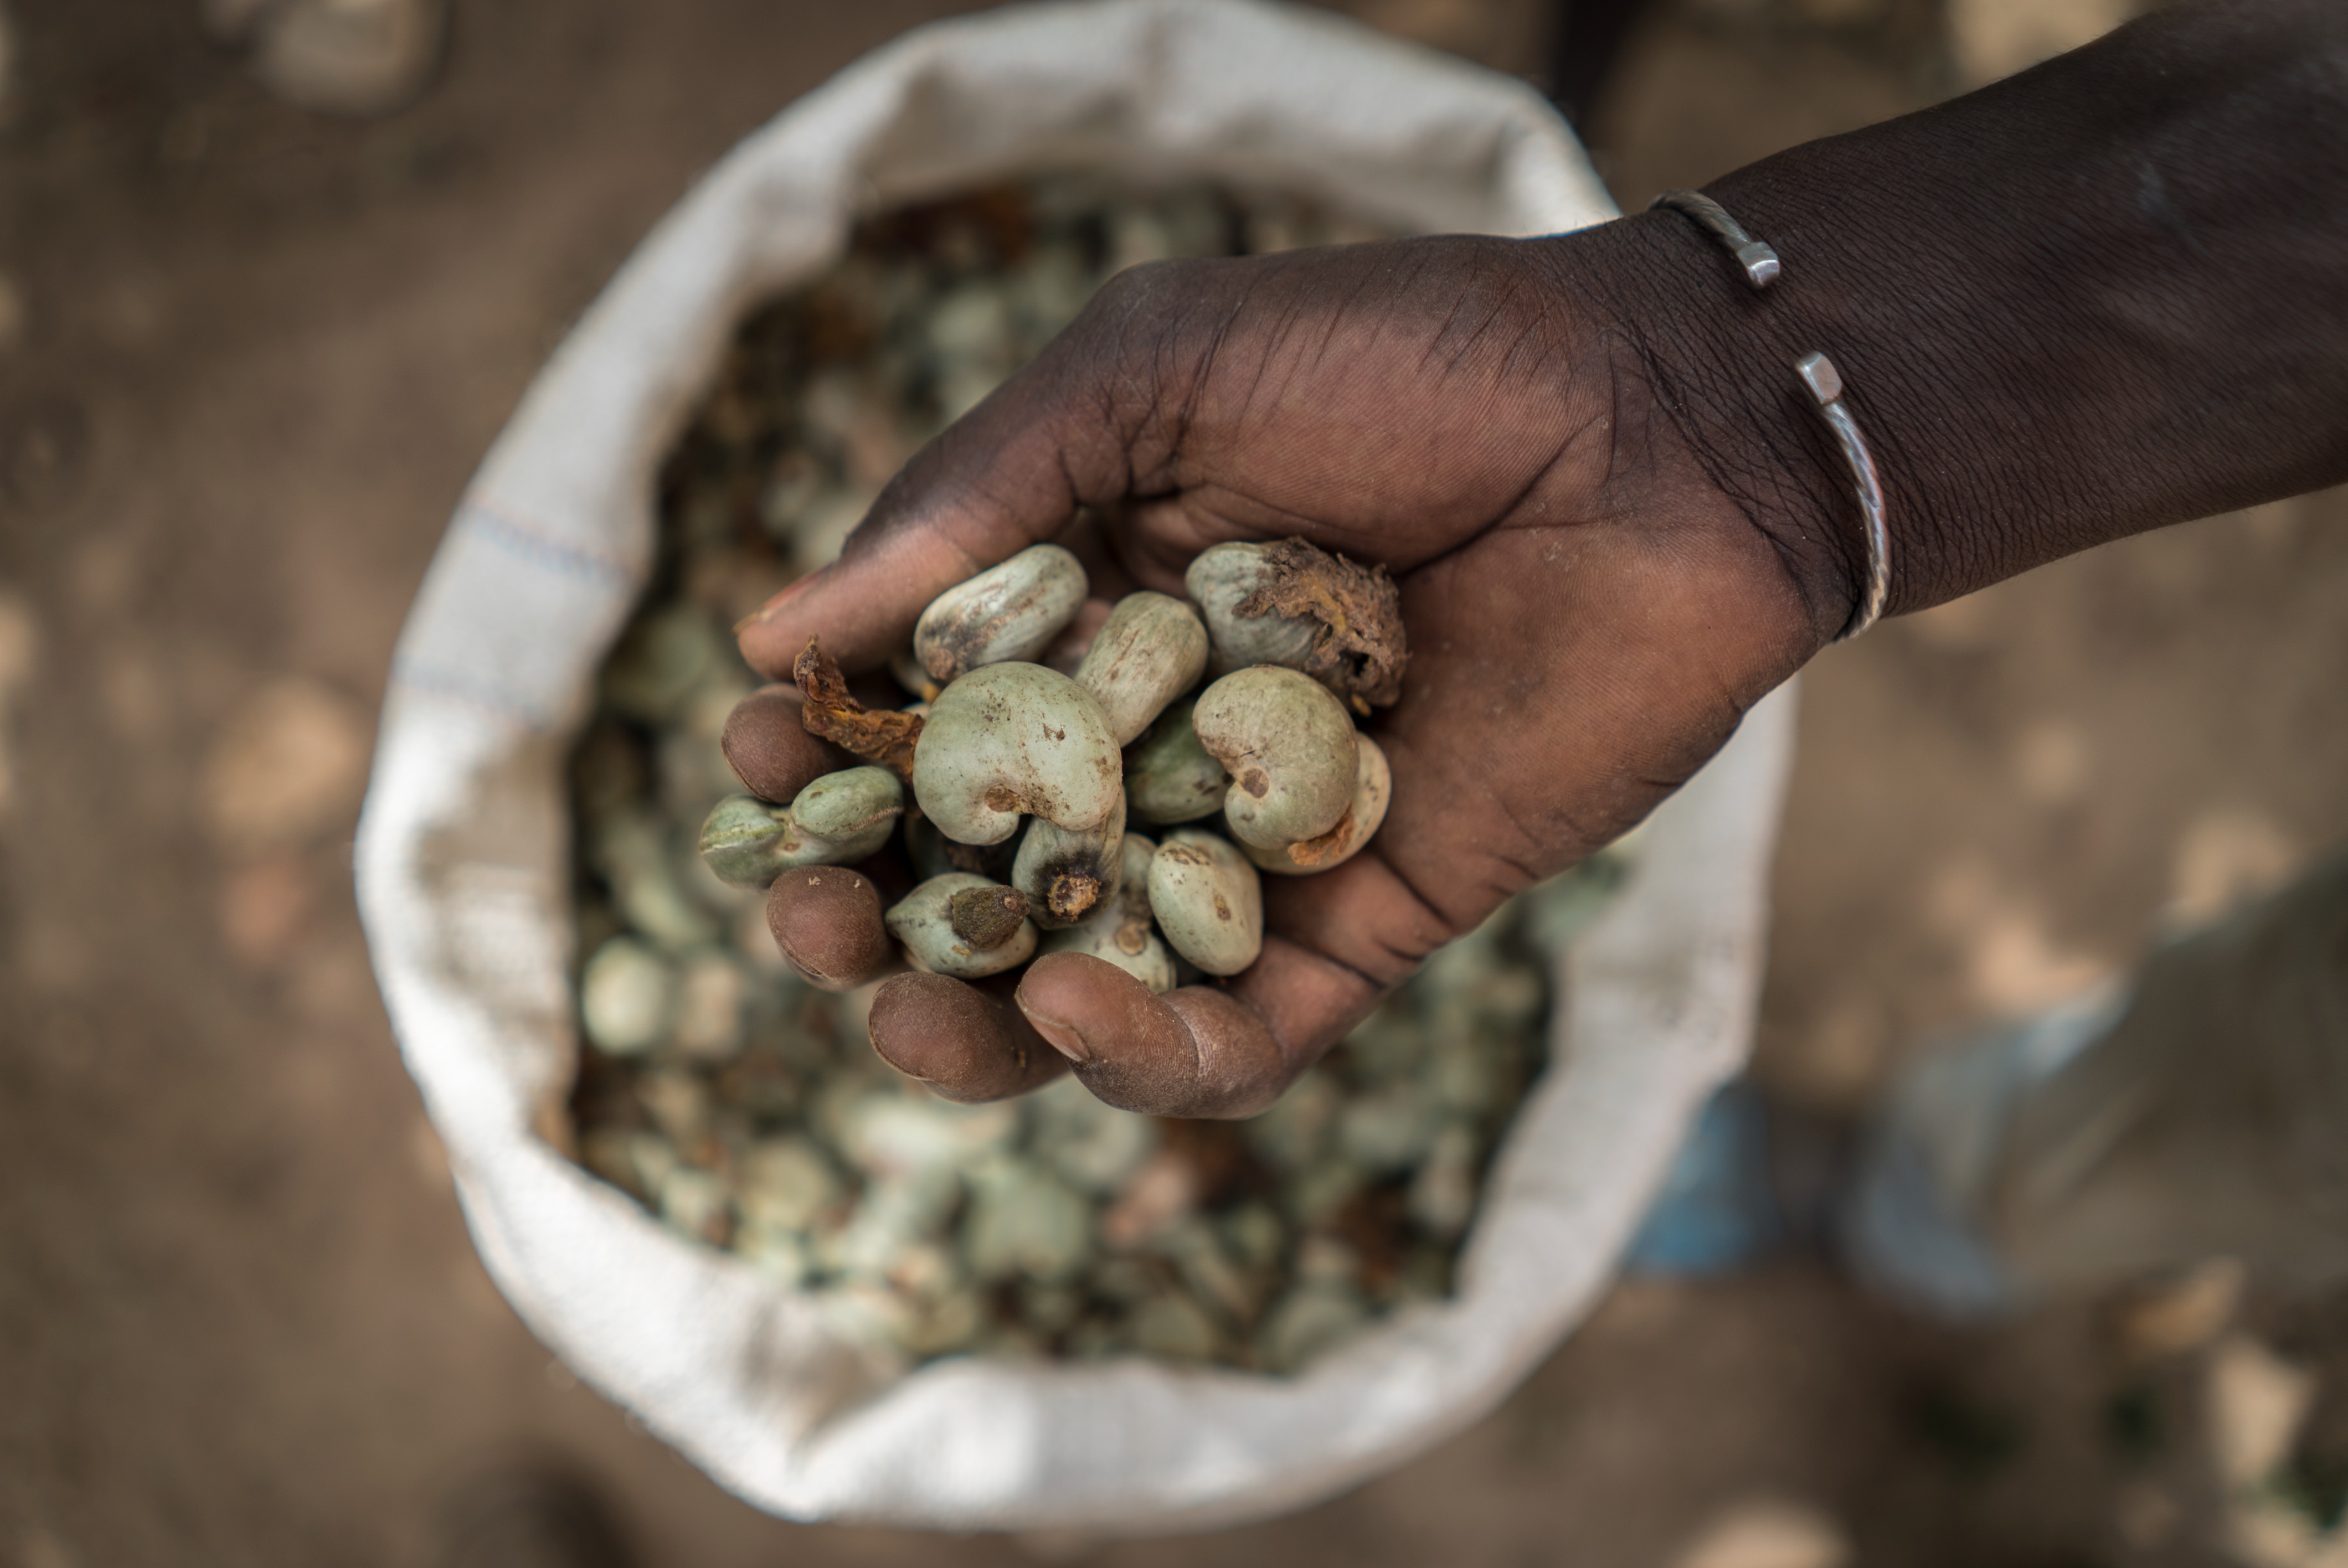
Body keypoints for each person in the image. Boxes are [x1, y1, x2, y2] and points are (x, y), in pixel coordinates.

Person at [726, 0, 2348, 1263]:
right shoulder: (1112, 745)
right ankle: (1925, 1188)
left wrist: (1724, 406)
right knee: (2237, 1088)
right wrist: (1711, 396)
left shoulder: (1139, 747)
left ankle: (1922, 1216)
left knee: (2258, 1136)